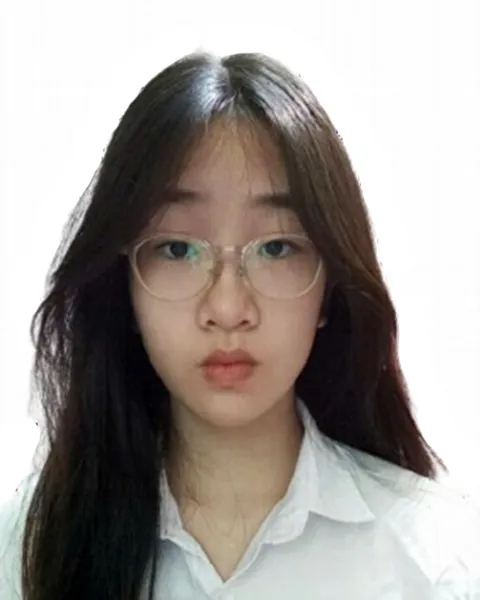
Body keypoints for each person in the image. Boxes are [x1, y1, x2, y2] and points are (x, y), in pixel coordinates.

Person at [0, 51, 479, 600]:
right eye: (177, 248)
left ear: (330, 288)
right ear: (123, 287)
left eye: (276, 247)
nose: (228, 308)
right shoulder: (30, 548)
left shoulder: (436, 560)